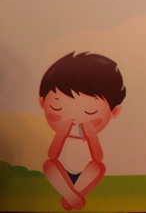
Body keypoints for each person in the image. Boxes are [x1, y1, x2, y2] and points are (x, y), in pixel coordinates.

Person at [39, 51, 126, 211]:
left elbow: (97, 158)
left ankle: (72, 195)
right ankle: (71, 196)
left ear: (114, 111)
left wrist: (91, 135)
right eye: (57, 107)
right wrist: (61, 134)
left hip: (86, 173)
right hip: (60, 170)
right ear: (42, 102)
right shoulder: (63, 131)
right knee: (49, 166)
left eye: (90, 112)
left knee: (97, 167)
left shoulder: (88, 133)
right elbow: (52, 155)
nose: (74, 118)